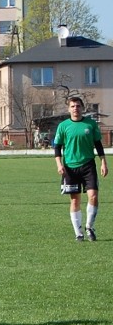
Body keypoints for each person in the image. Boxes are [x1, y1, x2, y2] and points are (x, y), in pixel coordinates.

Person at [54, 96, 108, 242]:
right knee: (75, 200)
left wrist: (103, 162)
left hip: (88, 165)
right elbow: (57, 147)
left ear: (82, 108)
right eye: (72, 106)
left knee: (93, 196)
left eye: (78, 106)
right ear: (68, 109)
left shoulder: (90, 124)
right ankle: (78, 233)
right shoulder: (63, 126)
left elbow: (98, 144)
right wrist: (59, 164)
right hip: (70, 167)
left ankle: (89, 226)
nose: (75, 108)